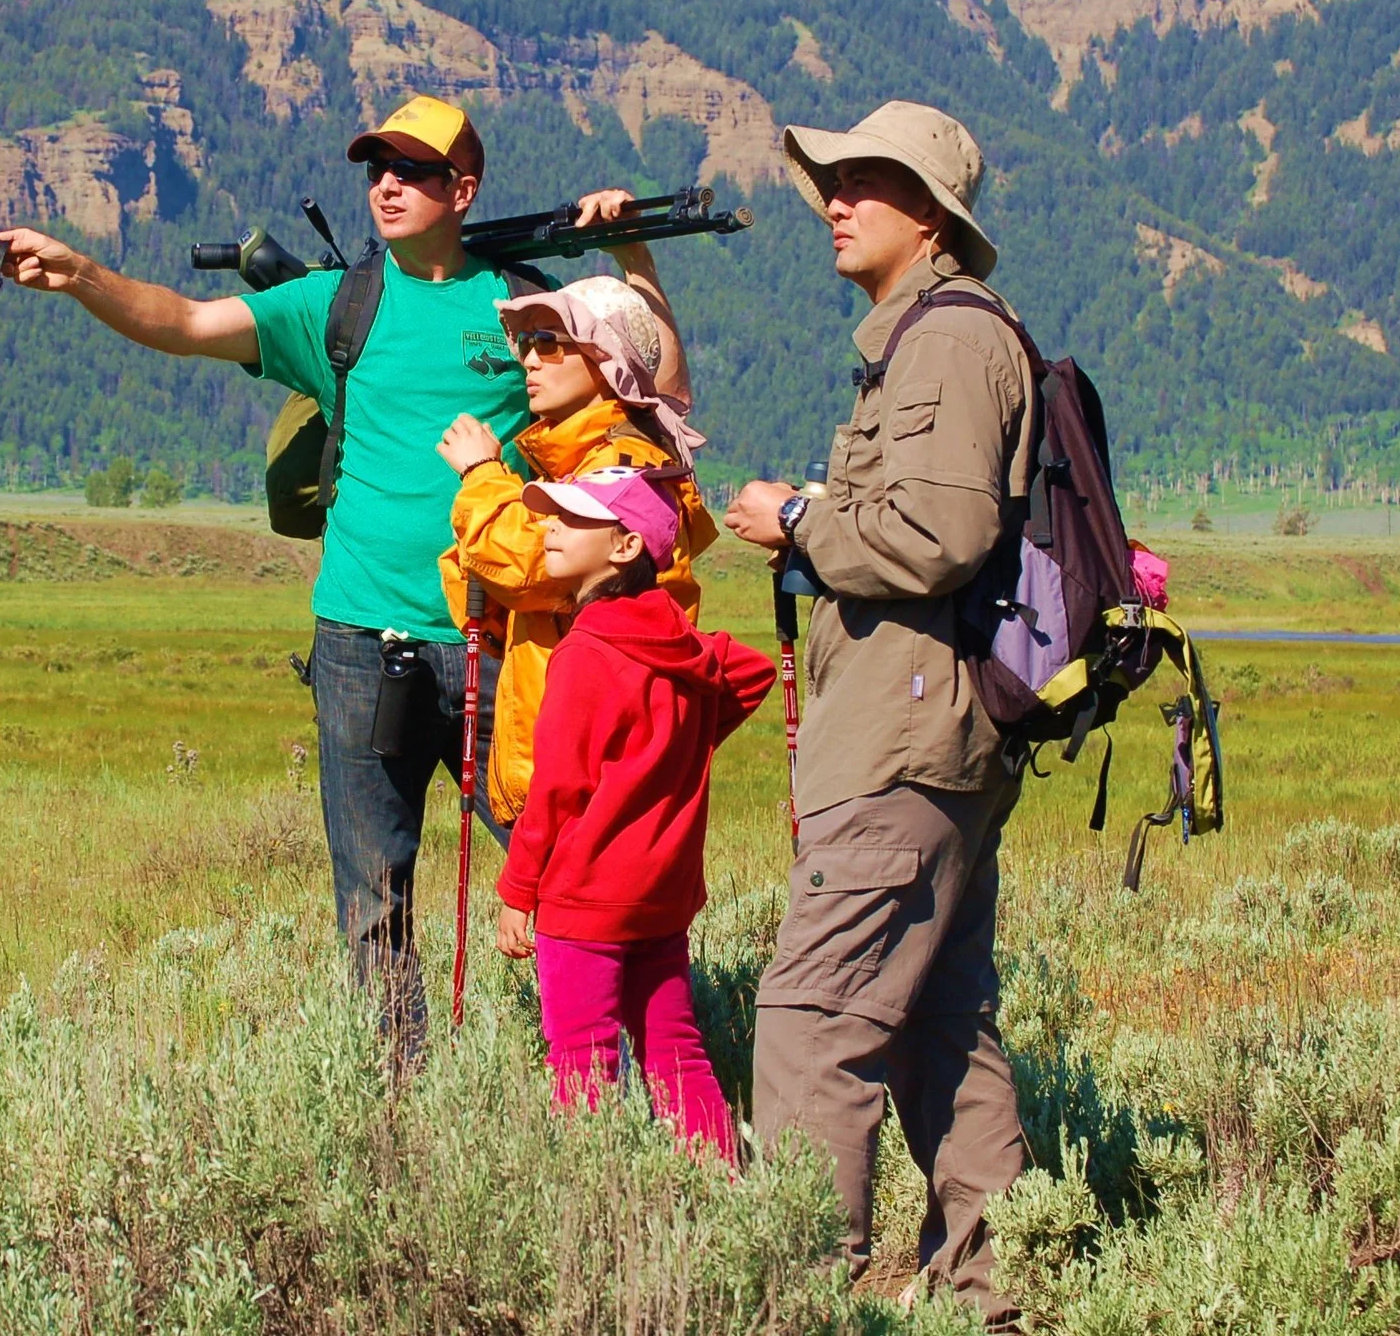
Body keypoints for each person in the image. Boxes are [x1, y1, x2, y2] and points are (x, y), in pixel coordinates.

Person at [0, 93, 685, 1057]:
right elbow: (185, 321)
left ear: (462, 190)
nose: (386, 185)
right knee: (372, 902)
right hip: (360, 640)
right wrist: (79, 273)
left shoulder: (524, 305)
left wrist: (634, 256)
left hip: (508, 640)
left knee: (563, 867)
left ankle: (588, 1069)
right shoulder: (336, 305)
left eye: (412, 171)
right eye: (375, 169)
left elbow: (656, 399)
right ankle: (393, 1103)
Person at [722, 100, 1035, 1325]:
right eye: (835, 178)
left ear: (932, 215)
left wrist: (797, 525)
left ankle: (803, 1295)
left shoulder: (951, 341)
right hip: (929, 740)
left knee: (809, 1028)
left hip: (903, 745)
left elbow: (943, 535)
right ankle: (992, 1293)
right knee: (938, 1033)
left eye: (867, 180)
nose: (837, 199)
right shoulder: (924, 338)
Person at [493, 468, 773, 1160]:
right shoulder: (676, 643)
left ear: (623, 547)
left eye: (571, 519)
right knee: (675, 1051)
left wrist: (516, 892)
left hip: (584, 898)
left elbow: (556, 791)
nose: (549, 528)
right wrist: (678, 735)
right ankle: (726, 1193)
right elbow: (752, 670)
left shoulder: (587, 651)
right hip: (660, 898)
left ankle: (597, 1218)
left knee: (582, 1062)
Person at [434, 275, 719, 840]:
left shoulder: (621, 466)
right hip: (571, 756)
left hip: (586, 768)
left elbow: (533, 569)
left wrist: (481, 476)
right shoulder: (577, 463)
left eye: (549, 341)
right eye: (526, 344)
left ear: (606, 360)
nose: (529, 361)